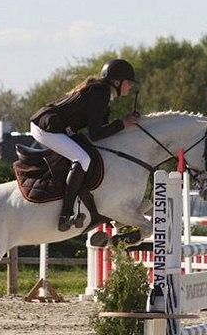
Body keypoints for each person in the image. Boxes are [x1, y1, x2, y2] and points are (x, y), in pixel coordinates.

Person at [29, 58, 139, 231]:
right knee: (83, 159)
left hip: (56, 126)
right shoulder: (100, 94)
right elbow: (96, 134)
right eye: (128, 83)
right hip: (45, 127)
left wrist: (124, 124)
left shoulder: (102, 94)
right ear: (117, 82)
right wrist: (122, 123)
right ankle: (65, 214)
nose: (130, 87)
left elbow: (102, 130)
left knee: (89, 155)